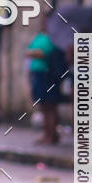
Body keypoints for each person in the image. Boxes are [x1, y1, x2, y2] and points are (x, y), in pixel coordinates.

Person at [26, 17, 67, 145]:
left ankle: (52, 134)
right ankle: (46, 133)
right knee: (43, 105)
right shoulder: (40, 36)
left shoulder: (55, 38)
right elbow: (29, 51)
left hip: (48, 74)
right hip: (37, 74)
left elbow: (52, 54)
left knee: (50, 105)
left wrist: (38, 54)